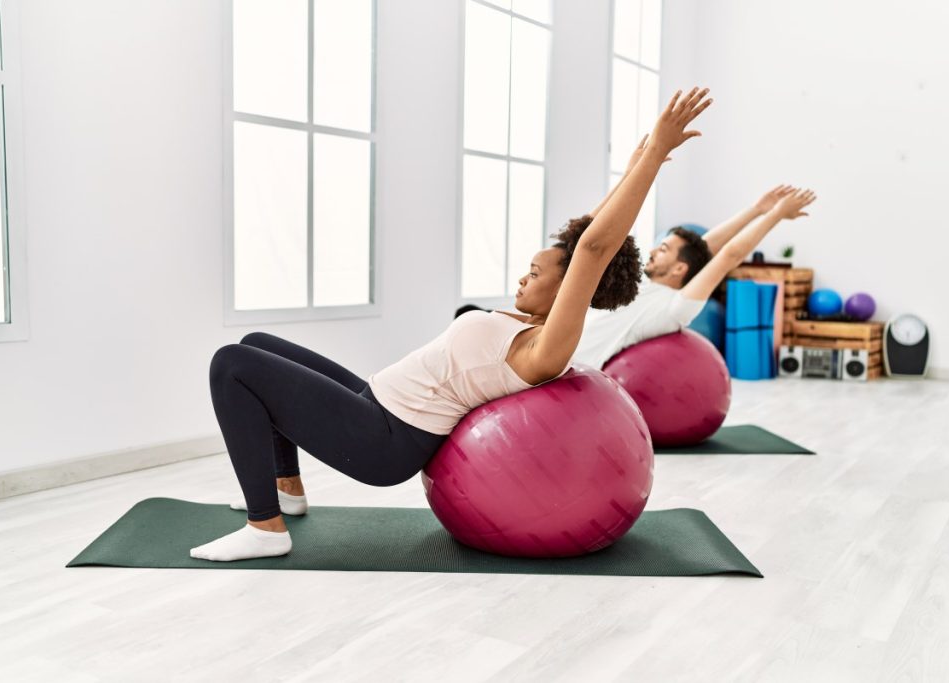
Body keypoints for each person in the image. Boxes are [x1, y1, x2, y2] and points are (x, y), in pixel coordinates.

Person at [189, 87, 713, 562]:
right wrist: (643, 161)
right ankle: (286, 490)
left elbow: (594, 251)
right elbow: (586, 236)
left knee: (231, 365)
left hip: (386, 440)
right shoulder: (526, 316)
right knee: (256, 344)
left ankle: (266, 526)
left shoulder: (543, 346)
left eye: (534, 273)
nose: (522, 278)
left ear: (569, 287)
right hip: (375, 402)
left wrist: (651, 171)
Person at [571, 179, 817, 369]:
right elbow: (703, 248)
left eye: (664, 248)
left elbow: (727, 256)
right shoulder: (642, 281)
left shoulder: (676, 306)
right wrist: (756, 210)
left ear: (680, 269)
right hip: (552, 352)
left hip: (573, 373)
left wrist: (775, 216)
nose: (654, 249)